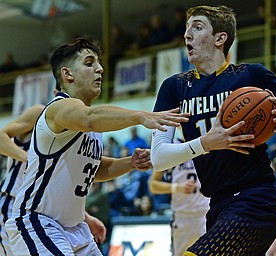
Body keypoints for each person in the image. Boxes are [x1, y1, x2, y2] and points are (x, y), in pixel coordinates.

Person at [150, 5, 276, 255]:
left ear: (220, 38)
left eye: (197, 27)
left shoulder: (250, 75)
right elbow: (159, 157)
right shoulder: (175, 88)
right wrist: (205, 143)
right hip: (217, 205)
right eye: (186, 28)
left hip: (255, 200)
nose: (187, 34)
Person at [4, 36, 189, 256]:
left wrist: (130, 163)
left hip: (75, 228)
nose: (100, 69)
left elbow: (93, 168)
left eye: (99, 63)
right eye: (89, 63)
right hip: (38, 222)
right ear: (67, 74)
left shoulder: (93, 128)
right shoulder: (58, 108)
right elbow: (89, 117)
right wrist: (141, 116)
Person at [0, 104, 106, 255]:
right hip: (14, 203)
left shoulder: (73, 129)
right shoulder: (41, 112)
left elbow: (57, 189)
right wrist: (30, 158)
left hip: (44, 213)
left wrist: (86, 217)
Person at [149, 139, 210, 256]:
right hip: (182, 216)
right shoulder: (169, 146)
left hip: (206, 213)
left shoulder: (206, 139)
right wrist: (177, 187)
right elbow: (153, 185)